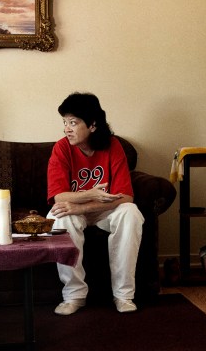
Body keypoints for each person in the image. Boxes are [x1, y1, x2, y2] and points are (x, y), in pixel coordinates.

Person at [46, 92, 144, 315]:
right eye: (65, 122)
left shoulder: (113, 146)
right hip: (78, 211)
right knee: (58, 216)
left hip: (104, 211)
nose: (67, 128)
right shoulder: (61, 148)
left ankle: (123, 295)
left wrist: (82, 205)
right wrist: (89, 195)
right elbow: (58, 196)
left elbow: (126, 197)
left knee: (131, 212)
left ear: (92, 125)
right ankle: (74, 295)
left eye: (73, 122)